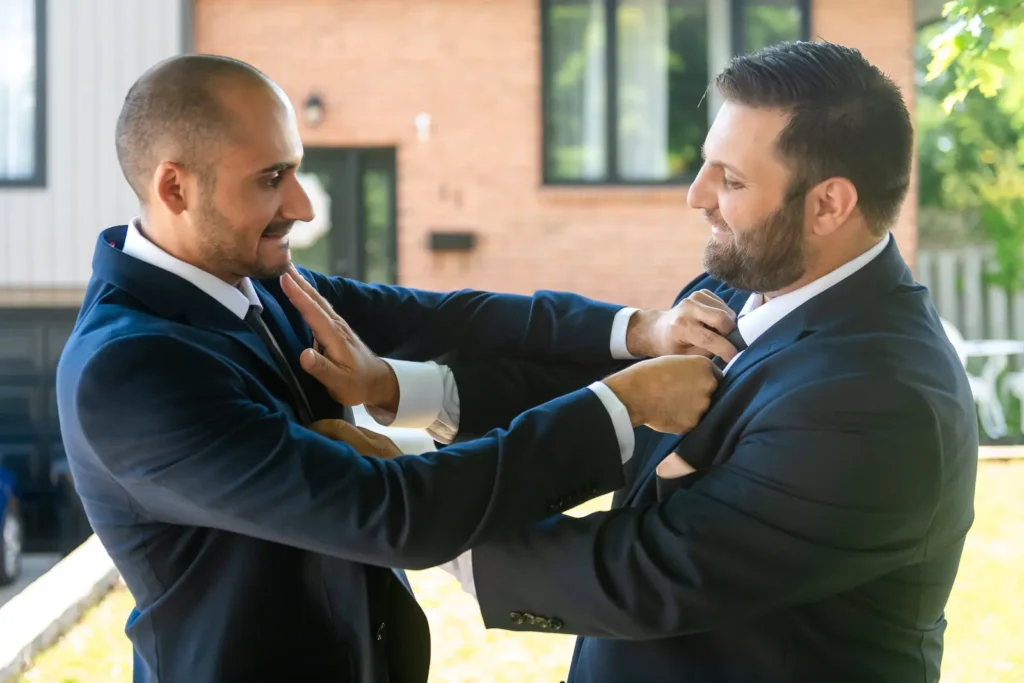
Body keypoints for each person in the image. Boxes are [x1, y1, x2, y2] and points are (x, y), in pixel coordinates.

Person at [303, 42, 978, 683]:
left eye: (731, 179)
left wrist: (413, 499)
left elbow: (641, 577)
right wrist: (401, 387)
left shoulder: (879, 400)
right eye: (707, 162)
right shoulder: (736, 287)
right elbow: (617, 399)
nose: (697, 194)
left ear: (830, 203)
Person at [54, 55, 725, 683]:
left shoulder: (253, 280)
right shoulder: (128, 371)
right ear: (174, 185)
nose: (302, 206)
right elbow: (396, 514)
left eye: (294, 170)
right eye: (269, 179)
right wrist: (620, 409)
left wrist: (641, 330)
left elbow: (452, 319)